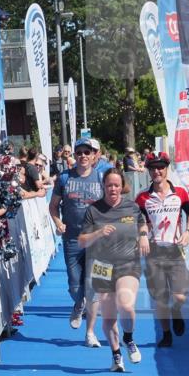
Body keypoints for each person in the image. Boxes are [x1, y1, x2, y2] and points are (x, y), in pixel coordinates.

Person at [78, 168, 143, 371]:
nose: (112, 188)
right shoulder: (93, 210)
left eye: (116, 185)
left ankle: (129, 339)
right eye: (109, 185)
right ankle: (116, 355)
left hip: (128, 263)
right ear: (103, 187)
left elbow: (143, 225)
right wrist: (98, 233)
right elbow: (81, 241)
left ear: (121, 186)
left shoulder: (131, 207)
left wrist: (144, 236)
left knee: (126, 304)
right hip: (102, 267)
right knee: (108, 318)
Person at [50, 137, 112, 347]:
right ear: (74, 156)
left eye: (88, 152)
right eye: (79, 153)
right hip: (73, 239)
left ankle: (90, 333)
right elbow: (53, 206)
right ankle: (78, 304)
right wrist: (58, 221)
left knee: (94, 286)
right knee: (75, 285)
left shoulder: (101, 176)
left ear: (95, 155)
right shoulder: (64, 178)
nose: (83, 156)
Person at [136, 152, 189, 348]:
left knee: (179, 296)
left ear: (166, 169)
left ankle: (177, 312)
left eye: (160, 167)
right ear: (148, 171)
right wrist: (143, 234)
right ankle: (166, 334)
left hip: (175, 251)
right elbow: (140, 222)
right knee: (160, 298)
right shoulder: (142, 198)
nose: (157, 171)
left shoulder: (180, 193)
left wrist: (188, 231)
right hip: (154, 253)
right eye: (153, 168)